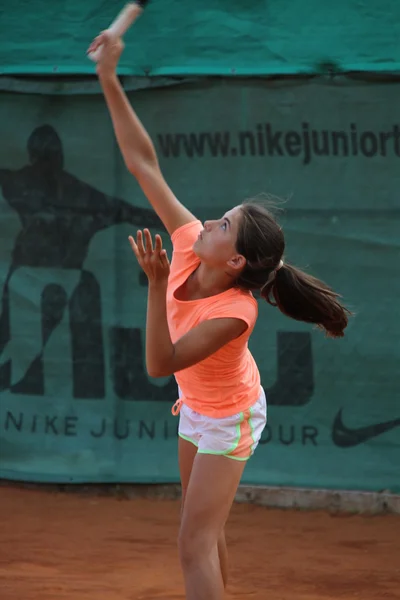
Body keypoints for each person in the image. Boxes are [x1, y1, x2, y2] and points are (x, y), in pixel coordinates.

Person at [88, 31, 351, 600]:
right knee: (200, 528)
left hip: (230, 418)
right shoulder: (188, 242)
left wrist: (156, 286)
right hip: (198, 407)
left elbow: (160, 364)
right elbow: (142, 164)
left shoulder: (236, 313)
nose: (208, 220)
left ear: (234, 261)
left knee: (192, 543)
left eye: (224, 224)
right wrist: (109, 76)